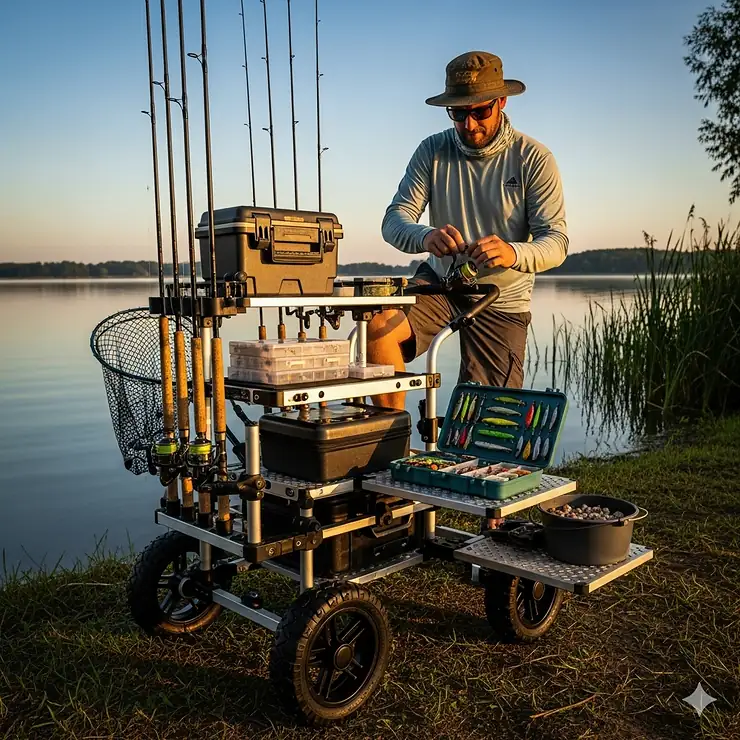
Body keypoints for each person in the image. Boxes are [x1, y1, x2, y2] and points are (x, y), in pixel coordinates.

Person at [367, 51, 568, 412]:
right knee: (377, 326)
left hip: (501, 297)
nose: (469, 124)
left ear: (501, 102)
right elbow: (394, 219)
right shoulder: (432, 150)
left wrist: (512, 252)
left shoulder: (534, 158)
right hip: (441, 282)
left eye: (480, 112)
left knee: (488, 419)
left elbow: (556, 242)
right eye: (458, 113)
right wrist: (425, 236)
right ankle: (391, 445)